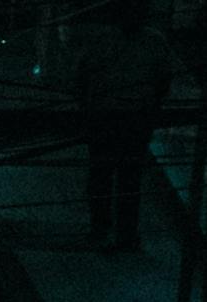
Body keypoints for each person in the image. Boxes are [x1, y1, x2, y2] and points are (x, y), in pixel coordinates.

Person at [72, 0, 171, 255]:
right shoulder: (142, 41)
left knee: (115, 177)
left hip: (121, 117)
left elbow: (82, 77)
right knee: (113, 177)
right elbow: (162, 80)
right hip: (118, 116)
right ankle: (109, 229)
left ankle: (111, 230)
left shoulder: (141, 41)